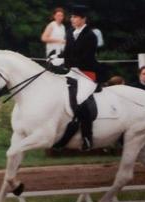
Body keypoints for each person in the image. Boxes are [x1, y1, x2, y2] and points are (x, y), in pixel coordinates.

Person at [51, 5, 100, 150]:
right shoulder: (70, 32)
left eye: (75, 17)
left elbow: (86, 58)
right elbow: (68, 52)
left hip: (87, 73)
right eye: (71, 17)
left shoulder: (90, 36)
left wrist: (64, 62)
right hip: (73, 72)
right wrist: (56, 56)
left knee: (79, 100)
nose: (71, 19)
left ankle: (87, 137)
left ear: (83, 19)